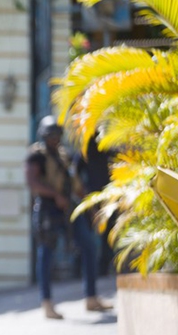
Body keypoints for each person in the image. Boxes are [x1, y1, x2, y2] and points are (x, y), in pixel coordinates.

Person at [25, 115, 112, 319]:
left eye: (57, 135)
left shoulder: (64, 156)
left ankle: (91, 297)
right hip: (48, 210)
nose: (55, 139)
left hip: (67, 210)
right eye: (51, 135)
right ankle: (46, 303)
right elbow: (32, 182)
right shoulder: (36, 156)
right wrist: (54, 195)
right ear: (44, 136)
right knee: (46, 254)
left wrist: (89, 206)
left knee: (88, 246)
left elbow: (74, 184)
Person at [72, 137, 116, 276]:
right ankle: (80, 269)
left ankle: (101, 269)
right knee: (86, 237)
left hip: (106, 198)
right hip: (91, 200)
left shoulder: (107, 151)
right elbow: (74, 174)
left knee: (106, 236)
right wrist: (82, 191)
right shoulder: (85, 152)